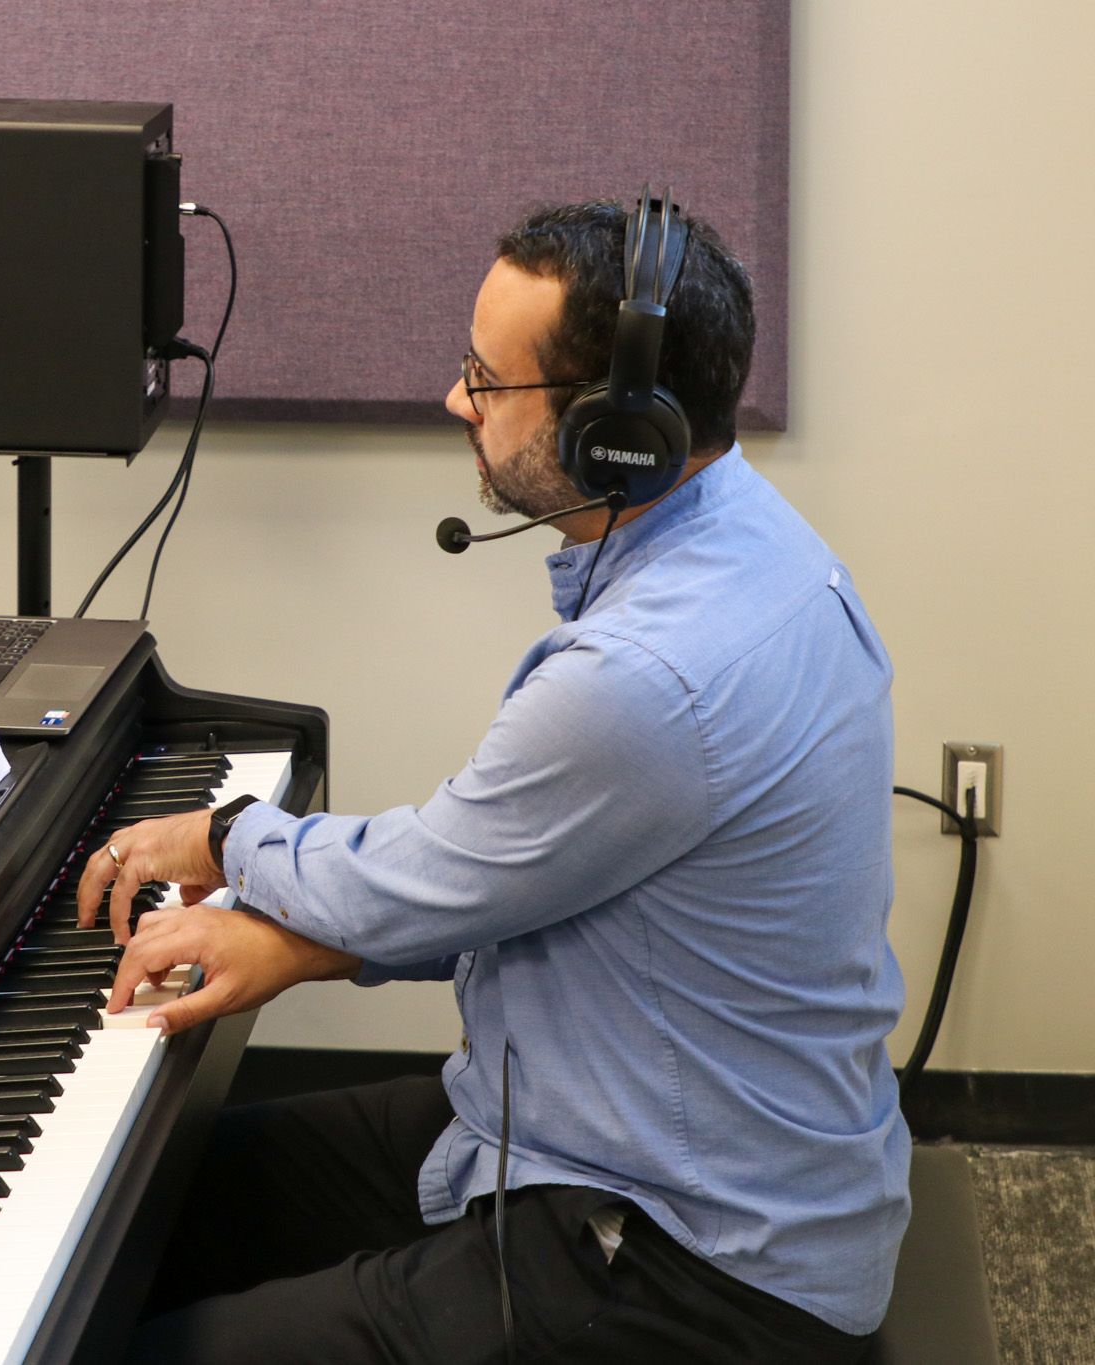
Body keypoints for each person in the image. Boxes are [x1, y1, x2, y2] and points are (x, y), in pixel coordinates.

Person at [81, 199, 908, 1363]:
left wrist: (228, 842)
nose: (454, 403)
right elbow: (496, 871)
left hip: (692, 1262)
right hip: (619, 1131)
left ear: (614, 431)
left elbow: (429, 879)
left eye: (485, 378)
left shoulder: (643, 677)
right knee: (146, 1208)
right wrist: (309, 938)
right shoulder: (763, 547)